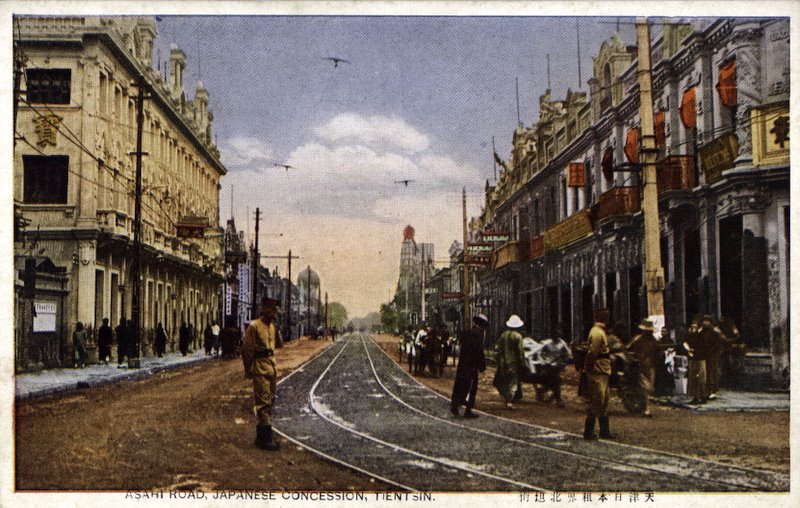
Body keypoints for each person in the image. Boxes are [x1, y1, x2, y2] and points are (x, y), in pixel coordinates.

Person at [241, 297, 284, 451]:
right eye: (272, 309)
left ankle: (262, 437)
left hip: (271, 367)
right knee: (263, 403)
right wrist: (248, 369)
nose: (275, 312)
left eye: (276, 310)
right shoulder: (254, 326)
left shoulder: (273, 327)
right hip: (259, 367)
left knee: (270, 401)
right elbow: (247, 350)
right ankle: (265, 439)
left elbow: (279, 345)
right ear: (264, 309)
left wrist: (278, 329)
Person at [584, 308, 616, 440]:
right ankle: (589, 432)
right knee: (597, 400)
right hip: (597, 370)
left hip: (603, 370)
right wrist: (589, 367)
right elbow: (592, 353)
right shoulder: (597, 333)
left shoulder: (599, 331)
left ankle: (604, 431)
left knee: (603, 401)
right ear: (606, 319)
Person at [450, 314, 488, 418]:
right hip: (472, 365)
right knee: (471, 387)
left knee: (459, 384)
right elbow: (479, 351)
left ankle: (455, 404)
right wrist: (482, 366)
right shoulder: (479, 334)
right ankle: (468, 410)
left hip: (462, 363)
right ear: (483, 325)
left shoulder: (466, 332)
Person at [626, 319, 660, 417]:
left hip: (651, 366)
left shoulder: (654, 341)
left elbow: (657, 352)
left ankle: (645, 408)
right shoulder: (637, 339)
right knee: (645, 388)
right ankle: (646, 409)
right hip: (640, 366)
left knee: (649, 388)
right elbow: (627, 348)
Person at [493, 315, 526, 409]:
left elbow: (497, 348)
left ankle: (506, 396)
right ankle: (509, 400)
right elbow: (521, 352)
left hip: (503, 362)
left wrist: (499, 359)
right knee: (512, 382)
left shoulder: (504, 335)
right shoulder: (518, 337)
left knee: (503, 380)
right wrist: (523, 364)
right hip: (513, 363)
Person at [684, 315, 715, 405]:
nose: (694, 328)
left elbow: (707, 346)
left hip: (703, 358)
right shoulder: (694, 334)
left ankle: (703, 396)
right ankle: (696, 396)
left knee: (701, 378)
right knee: (694, 378)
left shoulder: (706, 334)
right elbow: (687, 342)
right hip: (694, 358)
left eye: (695, 327)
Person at [538, 336, 571, 408]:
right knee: (553, 382)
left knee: (555, 382)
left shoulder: (562, 344)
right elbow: (540, 353)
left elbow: (568, 355)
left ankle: (557, 399)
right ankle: (556, 398)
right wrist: (544, 361)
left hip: (556, 366)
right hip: (548, 366)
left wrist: (563, 363)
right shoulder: (547, 343)